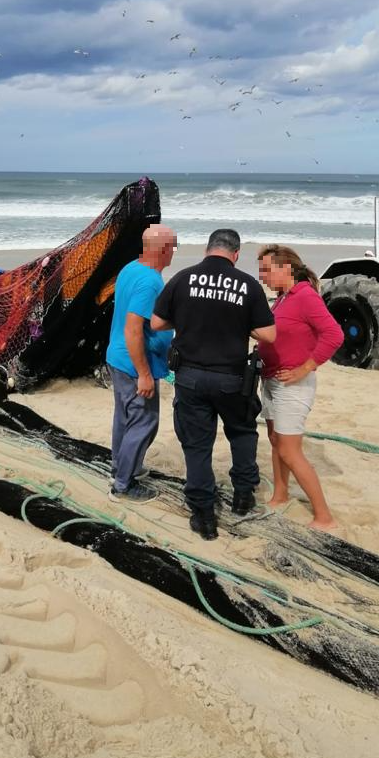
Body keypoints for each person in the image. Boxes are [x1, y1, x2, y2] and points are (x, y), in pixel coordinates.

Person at [151, 229, 276, 540]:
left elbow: (156, 323)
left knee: (196, 445)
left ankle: (203, 514)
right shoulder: (247, 285)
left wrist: (187, 320)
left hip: (190, 377)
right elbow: (269, 334)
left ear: (208, 249)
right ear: (235, 254)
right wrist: (240, 325)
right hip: (232, 378)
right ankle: (243, 496)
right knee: (243, 433)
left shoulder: (183, 278)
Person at [256, 244, 343, 531]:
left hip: (293, 385)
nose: (262, 276)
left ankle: (324, 517)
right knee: (276, 443)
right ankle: (280, 495)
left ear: (286, 269)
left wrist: (306, 367)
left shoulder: (305, 295)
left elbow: (333, 335)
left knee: (291, 451)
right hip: (270, 379)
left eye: (266, 270)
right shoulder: (282, 298)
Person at [105, 224, 177, 504]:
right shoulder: (149, 282)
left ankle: (122, 467)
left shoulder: (131, 267)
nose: (174, 252)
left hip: (119, 357)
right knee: (145, 421)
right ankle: (124, 484)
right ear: (162, 250)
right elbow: (133, 329)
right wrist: (145, 374)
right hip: (134, 363)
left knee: (125, 417)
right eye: (172, 246)